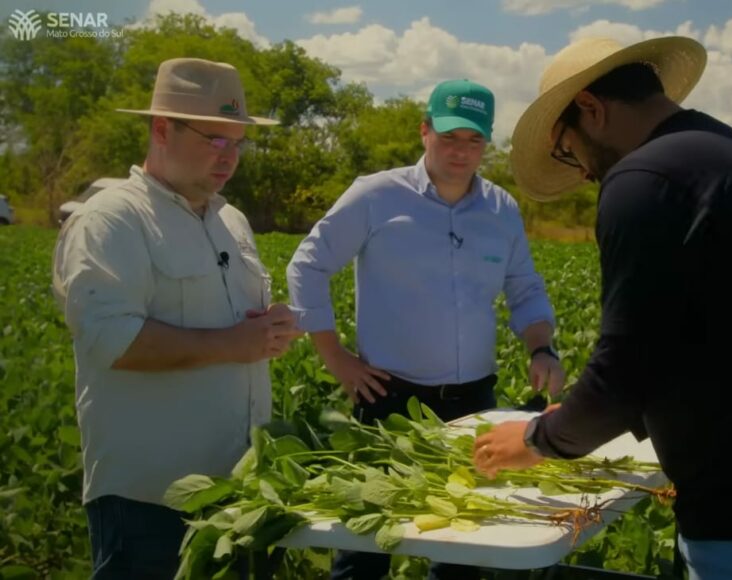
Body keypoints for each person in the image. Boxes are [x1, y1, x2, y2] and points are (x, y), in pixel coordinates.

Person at [474, 37, 732, 579]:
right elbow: (704, 339)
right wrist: (580, 418)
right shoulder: (720, 156)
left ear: (592, 109)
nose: (584, 173)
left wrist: (536, 440)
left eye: (569, 150)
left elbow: (627, 367)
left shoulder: (645, 180)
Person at [288, 79, 565, 579]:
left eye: (474, 140)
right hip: (389, 399)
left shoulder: (501, 209)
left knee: (463, 548)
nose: (461, 151)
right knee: (365, 546)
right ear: (425, 131)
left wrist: (542, 348)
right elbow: (307, 266)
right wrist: (335, 358)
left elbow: (524, 287)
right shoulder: (376, 195)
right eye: (450, 137)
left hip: (473, 402)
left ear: (486, 143)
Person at [52, 58, 300, 579]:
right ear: (162, 129)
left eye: (238, 142)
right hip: (150, 503)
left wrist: (267, 331)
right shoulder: (113, 220)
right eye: (215, 139)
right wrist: (233, 343)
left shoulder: (230, 219)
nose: (229, 156)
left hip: (238, 493)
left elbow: (233, 328)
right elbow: (110, 339)